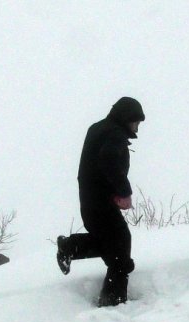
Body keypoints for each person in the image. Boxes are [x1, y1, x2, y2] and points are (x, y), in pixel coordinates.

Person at [57, 97, 145, 307]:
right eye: (136, 122)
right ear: (126, 118)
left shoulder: (99, 129)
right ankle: (112, 303)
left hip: (91, 202)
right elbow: (108, 161)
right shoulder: (114, 134)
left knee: (110, 244)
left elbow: (96, 166)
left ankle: (70, 246)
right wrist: (124, 192)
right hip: (100, 204)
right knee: (121, 248)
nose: (137, 127)